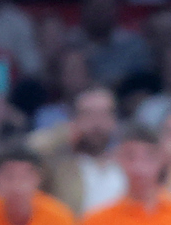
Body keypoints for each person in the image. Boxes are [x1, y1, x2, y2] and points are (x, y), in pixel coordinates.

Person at [26, 84, 123, 215]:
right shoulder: (59, 166)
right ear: (74, 119)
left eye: (104, 114)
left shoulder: (126, 164)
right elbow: (26, 150)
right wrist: (63, 134)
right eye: (88, 114)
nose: (97, 122)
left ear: (114, 120)